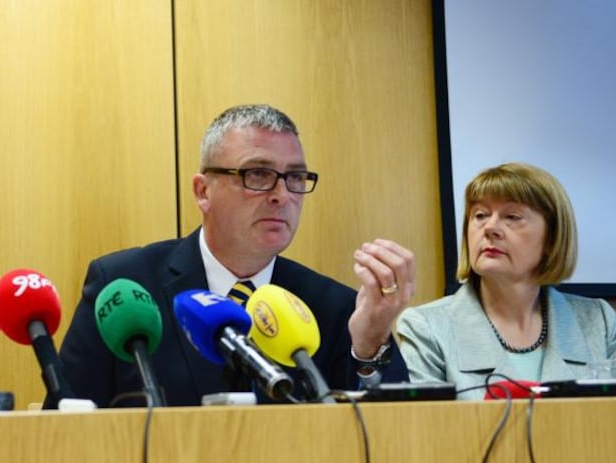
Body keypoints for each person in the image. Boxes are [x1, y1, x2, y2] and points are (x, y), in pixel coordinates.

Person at [54, 104, 415, 407]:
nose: (282, 195)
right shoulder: (125, 289)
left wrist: (369, 347)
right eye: (258, 174)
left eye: (295, 177)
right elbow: (64, 429)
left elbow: (386, 440)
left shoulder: (332, 307)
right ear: (202, 191)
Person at [396, 162, 616, 399]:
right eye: (480, 215)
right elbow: (426, 430)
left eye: (512, 216)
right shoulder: (428, 328)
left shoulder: (598, 323)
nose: (490, 228)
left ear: (551, 239)